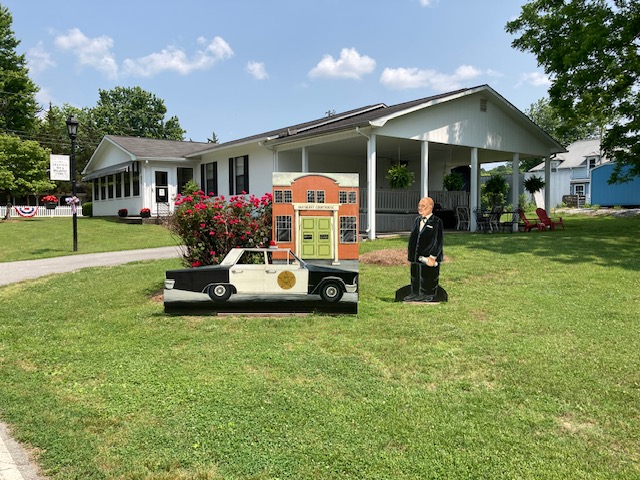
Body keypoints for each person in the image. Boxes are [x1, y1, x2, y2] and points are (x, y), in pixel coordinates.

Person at [404, 196, 444, 302]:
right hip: (416, 255)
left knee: (428, 276)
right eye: (419, 206)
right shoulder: (417, 220)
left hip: (429, 256)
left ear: (430, 207)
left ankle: (428, 294)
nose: (420, 208)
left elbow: (438, 240)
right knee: (415, 275)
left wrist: (433, 257)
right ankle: (415, 293)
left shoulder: (437, 222)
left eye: (423, 206)